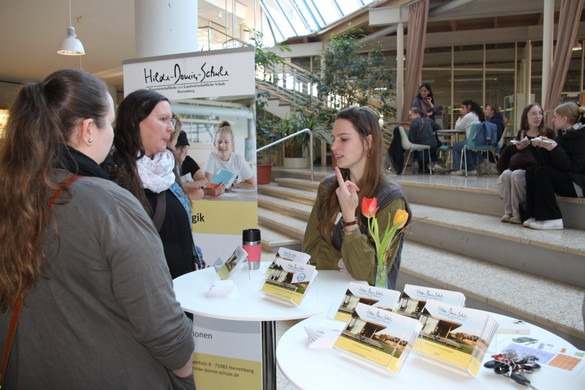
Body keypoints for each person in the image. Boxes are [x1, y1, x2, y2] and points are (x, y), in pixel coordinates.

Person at [0, 69, 194, 388]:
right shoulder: (111, 205)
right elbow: (165, 331)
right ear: (89, 130)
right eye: (110, 122)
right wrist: (185, 377)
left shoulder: (16, 193)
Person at [302, 106, 411, 289]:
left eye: (343, 139)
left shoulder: (391, 200)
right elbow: (310, 249)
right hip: (326, 291)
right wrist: (340, 261)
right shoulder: (328, 188)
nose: (334, 146)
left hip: (365, 306)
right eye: (334, 139)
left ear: (368, 142)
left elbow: (371, 274)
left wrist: (350, 221)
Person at [103, 89, 204, 278]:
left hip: (184, 287)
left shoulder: (168, 166)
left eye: (170, 120)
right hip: (150, 293)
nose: (171, 128)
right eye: (163, 119)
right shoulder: (113, 178)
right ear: (135, 123)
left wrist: (196, 260)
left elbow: (182, 235)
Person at [523, 102, 585, 230]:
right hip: (568, 178)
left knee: (543, 172)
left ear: (565, 118)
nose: (552, 120)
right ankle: (533, 214)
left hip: (578, 184)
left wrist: (555, 149)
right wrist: (542, 147)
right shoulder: (564, 135)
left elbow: (575, 167)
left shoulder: (581, 138)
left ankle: (552, 217)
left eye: (555, 117)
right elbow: (550, 162)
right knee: (531, 171)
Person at [496, 103, 554, 224]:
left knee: (516, 175)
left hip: (534, 168)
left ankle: (518, 213)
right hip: (519, 165)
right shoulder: (522, 133)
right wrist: (518, 147)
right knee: (506, 174)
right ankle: (509, 211)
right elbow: (517, 154)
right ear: (526, 117)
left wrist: (537, 146)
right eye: (533, 114)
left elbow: (550, 157)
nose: (537, 117)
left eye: (540, 113)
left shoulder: (548, 133)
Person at [203, 121, 256, 189]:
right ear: (214, 144)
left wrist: (235, 185)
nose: (222, 145)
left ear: (232, 144)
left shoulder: (238, 159)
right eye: (219, 142)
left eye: (226, 142)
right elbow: (207, 183)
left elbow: (252, 184)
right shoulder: (212, 157)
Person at [407, 107, 447, 173]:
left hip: (420, 144)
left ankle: (415, 161)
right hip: (432, 143)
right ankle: (436, 163)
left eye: (410, 115)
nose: (409, 117)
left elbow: (411, 138)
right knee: (432, 146)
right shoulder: (429, 120)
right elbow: (439, 128)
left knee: (415, 144)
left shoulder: (414, 123)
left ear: (417, 114)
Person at [451, 99, 484, 175]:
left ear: (468, 107)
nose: (461, 110)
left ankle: (457, 169)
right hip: (480, 141)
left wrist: (460, 117)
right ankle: (470, 168)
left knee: (456, 147)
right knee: (466, 148)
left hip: (472, 141)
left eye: (463, 108)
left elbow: (458, 128)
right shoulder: (479, 115)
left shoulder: (468, 116)